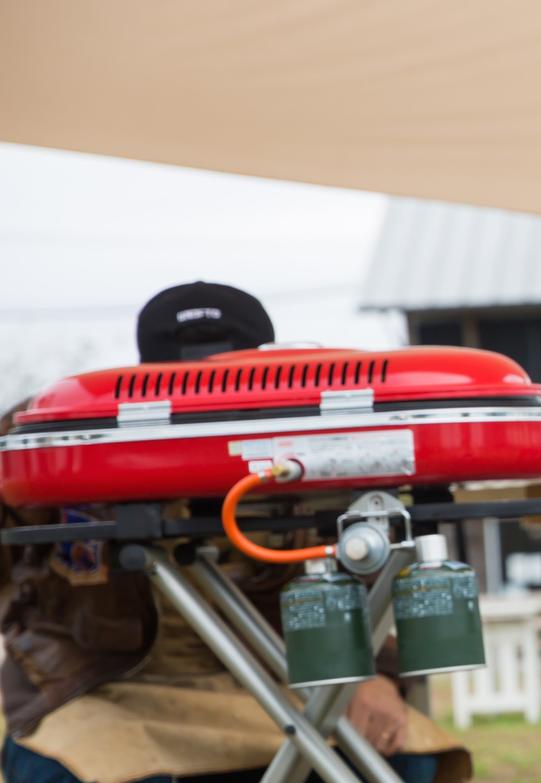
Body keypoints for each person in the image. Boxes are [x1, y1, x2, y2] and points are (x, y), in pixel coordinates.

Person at [0, 282, 470, 782]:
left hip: (274, 686)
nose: (203, 383)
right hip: (101, 692)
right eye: (182, 370)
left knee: (406, 760)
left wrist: (375, 675)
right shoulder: (59, 431)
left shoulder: (314, 438)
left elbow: (360, 578)